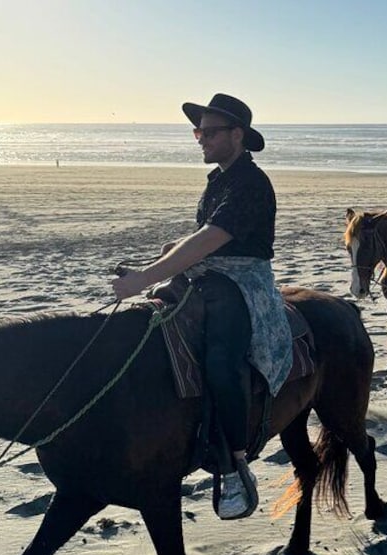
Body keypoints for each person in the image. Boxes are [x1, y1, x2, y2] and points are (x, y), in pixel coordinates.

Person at [111, 93, 292, 520]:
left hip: (242, 283)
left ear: (237, 135)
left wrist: (143, 278)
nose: (201, 140)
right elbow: (203, 239)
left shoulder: (251, 181)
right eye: (198, 131)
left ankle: (234, 460)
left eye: (209, 132)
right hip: (209, 273)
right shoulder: (220, 178)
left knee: (219, 360)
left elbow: (213, 238)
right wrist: (171, 255)